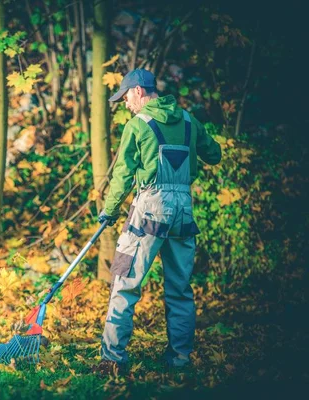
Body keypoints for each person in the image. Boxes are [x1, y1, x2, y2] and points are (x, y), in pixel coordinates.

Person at [94, 69, 222, 375]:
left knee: (125, 283)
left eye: (125, 97)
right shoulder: (190, 121)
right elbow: (214, 155)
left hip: (149, 211)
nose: (125, 103)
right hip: (183, 213)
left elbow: (124, 174)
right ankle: (181, 358)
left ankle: (112, 359)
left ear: (138, 91)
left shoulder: (138, 125)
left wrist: (109, 210)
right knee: (180, 289)